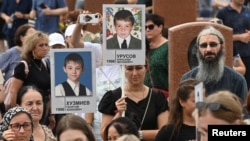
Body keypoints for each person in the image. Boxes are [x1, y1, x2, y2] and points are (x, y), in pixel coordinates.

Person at [98, 65, 169, 141]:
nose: (134, 73)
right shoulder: (113, 97)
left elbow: (165, 133)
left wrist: (135, 134)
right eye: (129, 69)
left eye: (138, 68)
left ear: (146, 68)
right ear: (123, 70)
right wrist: (118, 114)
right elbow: (104, 134)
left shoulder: (157, 97)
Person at [181, 26, 248, 102]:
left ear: (222, 47)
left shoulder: (237, 80)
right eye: (203, 45)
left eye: (213, 44)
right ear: (198, 49)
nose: (208, 49)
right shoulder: (187, 79)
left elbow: (243, 112)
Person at [9, 31, 53, 126]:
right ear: (32, 48)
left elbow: (48, 91)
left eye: (46, 45)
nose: (45, 48)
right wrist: (15, 114)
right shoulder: (23, 66)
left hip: (43, 109)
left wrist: (51, 114)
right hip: (27, 110)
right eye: (41, 45)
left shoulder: (45, 65)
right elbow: (13, 92)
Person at [216, 0, 250, 91]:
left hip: (248, 54)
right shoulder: (222, 13)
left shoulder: (248, 11)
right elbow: (218, 36)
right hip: (233, 55)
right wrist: (239, 37)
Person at [144, 13, 169, 99]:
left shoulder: (168, 47)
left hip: (163, 96)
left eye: (151, 27)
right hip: (145, 95)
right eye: (145, 27)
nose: (147, 30)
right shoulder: (145, 47)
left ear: (160, 27)